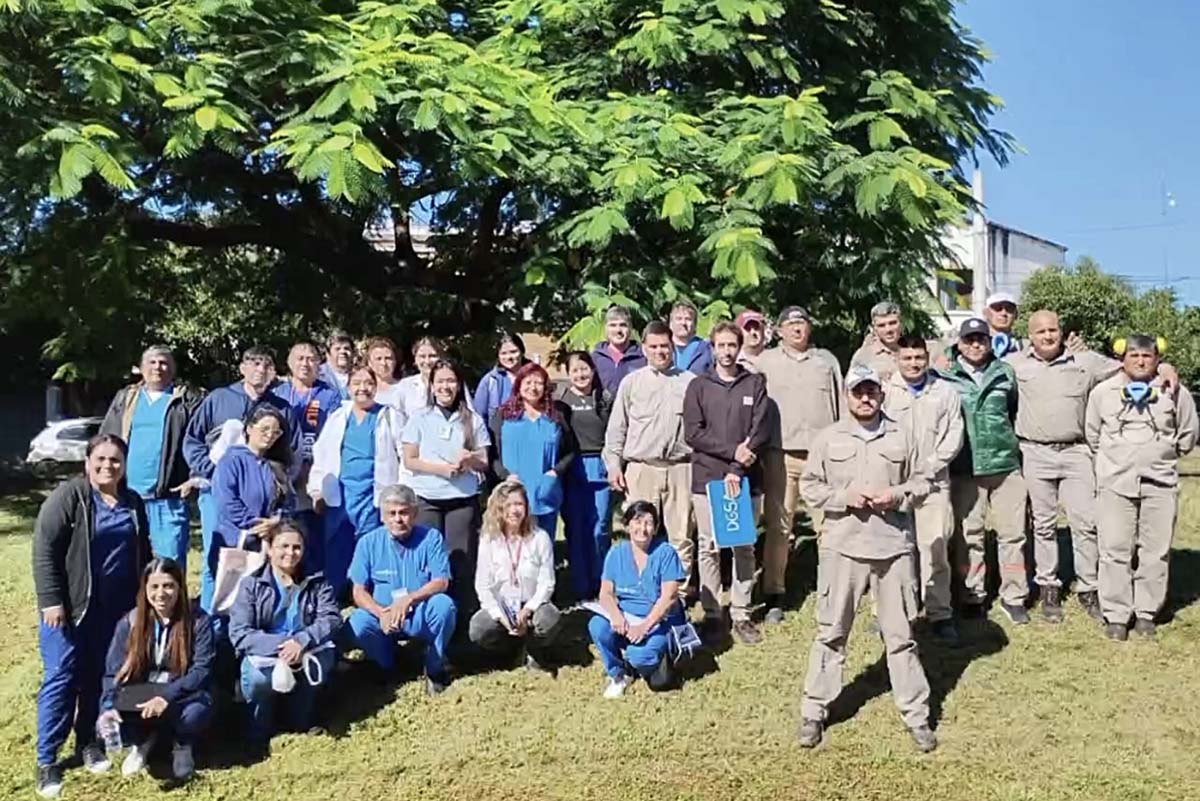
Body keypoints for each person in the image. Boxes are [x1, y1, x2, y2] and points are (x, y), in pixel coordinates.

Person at [797, 365, 936, 752]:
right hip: (843, 547)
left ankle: (917, 715)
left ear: (881, 394)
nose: (865, 397)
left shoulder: (903, 436)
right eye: (858, 391)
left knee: (901, 637)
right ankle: (814, 711)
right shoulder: (828, 438)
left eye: (871, 391)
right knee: (831, 633)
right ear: (847, 395)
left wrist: (897, 494)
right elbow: (810, 486)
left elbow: (924, 482)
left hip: (893, 549)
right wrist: (844, 497)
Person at [33, 435, 151, 798]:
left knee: (99, 677)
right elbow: (44, 548)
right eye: (100, 459)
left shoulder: (133, 502)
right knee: (62, 677)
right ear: (87, 462)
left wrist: (143, 602)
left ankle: (89, 741)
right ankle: (47, 759)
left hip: (114, 611)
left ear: (124, 465)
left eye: (115, 460)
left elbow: (143, 552)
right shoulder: (71, 496)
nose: (107, 466)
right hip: (70, 609)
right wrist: (51, 601)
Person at [1007, 310, 1134, 622]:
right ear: (1030, 335)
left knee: (1085, 522)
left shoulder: (1086, 361)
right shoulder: (1014, 363)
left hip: (1076, 452)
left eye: (1053, 330)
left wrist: (1165, 367)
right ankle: (1048, 586)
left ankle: (1088, 587)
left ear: (1062, 332)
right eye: (1041, 331)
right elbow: (974, 363)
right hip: (1034, 452)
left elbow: (1129, 367)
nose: (1048, 336)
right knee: (1043, 524)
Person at [1086, 335, 1198, 640]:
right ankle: (1116, 615)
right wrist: (1115, 461)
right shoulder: (1102, 393)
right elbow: (1092, 435)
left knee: (1155, 551)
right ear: (1122, 357)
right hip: (1115, 483)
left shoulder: (1174, 392)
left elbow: (1188, 434)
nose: (1140, 361)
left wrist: (1159, 455)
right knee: (1114, 549)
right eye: (1133, 355)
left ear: (1158, 359)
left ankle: (1147, 612)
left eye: (1147, 356)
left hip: (1160, 483)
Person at [183, 346, 300, 612]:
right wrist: (214, 472)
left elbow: (293, 452)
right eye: (254, 363)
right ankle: (212, 618)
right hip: (220, 496)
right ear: (242, 368)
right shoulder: (219, 399)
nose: (261, 370)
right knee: (219, 561)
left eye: (267, 365)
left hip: (267, 498)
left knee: (262, 565)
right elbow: (192, 440)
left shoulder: (282, 407)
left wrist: (280, 497)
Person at [683, 322, 769, 646]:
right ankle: (712, 613)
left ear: (739, 347)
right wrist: (732, 452)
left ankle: (742, 613)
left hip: (745, 478)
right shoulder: (698, 386)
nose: (727, 351)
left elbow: (760, 430)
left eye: (732, 345)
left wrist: (737, 467)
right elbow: (693, 433)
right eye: (721, 345)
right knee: (708, 546)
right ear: (712, 348)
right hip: (708, 479)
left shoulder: (754, 383)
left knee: (743, 546)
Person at [755, 306, 843, 623]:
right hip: (780, 455)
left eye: (802, 323)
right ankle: (774, 592)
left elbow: (842, 406)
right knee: (780, 526)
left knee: (829, 526)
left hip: (823, 457)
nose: (797, 329)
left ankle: (833, 589)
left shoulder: (826, 362)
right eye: (790, 324)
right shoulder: (765, 362)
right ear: (779, 331)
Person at [937, 317, 1028, 623]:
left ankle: (1014, 596)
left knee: (1013, 535)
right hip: (966, 467)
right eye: (969, 339)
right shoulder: (945, 374)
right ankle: (972, 594)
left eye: (981, 339)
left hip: (1005, 466)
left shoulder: (1005, 372)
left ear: (990, 342)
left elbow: (1012, 411)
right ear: (959, 343)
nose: (975, 345)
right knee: (969, 536)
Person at [229, 521, 342, 754]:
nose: (291, 553)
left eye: (297, 547)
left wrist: (302, 640)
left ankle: (300, 719)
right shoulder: (251, 584)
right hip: (266, 653)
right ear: (270, 549)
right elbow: (240, 633)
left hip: (306, 649)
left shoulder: (317, 580)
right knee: (258, 679)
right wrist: (283, 646)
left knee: (320, 664)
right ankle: (259, 726)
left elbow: (331, 618)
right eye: (284, 546)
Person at [98, 559, 213, 781]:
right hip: (144, 690)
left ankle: (182, 743)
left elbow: (201, 670)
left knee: (195, 714)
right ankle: (143, 740)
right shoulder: (131, 621)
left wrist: (165, 697)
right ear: (145, 589)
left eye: (168, 586)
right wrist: (108, 707)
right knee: (116, 710)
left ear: (180, 588)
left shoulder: (198, 620)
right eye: (154, 587)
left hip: (182, 692)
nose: (161, 594)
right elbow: (113, 671)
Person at [603, 321, 696, 598]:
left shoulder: (690, 382)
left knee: (681, 536)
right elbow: (617, 428)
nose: (659, 351)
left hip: (680, 468)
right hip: (641, 469)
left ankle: (676, 597)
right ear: (643, 348)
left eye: (664, 346)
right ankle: (639, 593)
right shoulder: (632, 383)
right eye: (653, 346)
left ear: (673, 347)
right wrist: (614, 465)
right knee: (639, 533)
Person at [882, 335, 964, 641]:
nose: (913, 363)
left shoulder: (945, 391)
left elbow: (954, 434)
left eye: (919, 358)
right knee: (892, 551)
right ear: (897, 359)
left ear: (927, 359)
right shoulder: (885, 390)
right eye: (907, 358)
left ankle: (939, 612)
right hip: (895, 484)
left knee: (935, 548)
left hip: (933, 483)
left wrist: (930, 467)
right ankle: (892, 611)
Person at [344, 485, 457, 695]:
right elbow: (358, 590)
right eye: (392, 513)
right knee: (358, 621)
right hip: (384, 614)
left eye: (404, 512)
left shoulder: (431, 538)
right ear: (382, 516)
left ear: (414, 513)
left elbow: (441, 581)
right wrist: (380, 612)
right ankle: (387, 666)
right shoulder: (368, 542)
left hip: (419, 611)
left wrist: (409, 600)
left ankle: (434, 668)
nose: (398, 519)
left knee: (444, 606)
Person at [308, 365, 406, 598]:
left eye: (368, 383)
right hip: (341, 494)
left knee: (373, 546)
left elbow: (404, 456)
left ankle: (370, 597)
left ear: (376, 387)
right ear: (349, 387)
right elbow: (322, 454)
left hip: (374, 495)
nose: (363, 388)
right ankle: (334, 598)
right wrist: (316, 490)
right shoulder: (338, 417)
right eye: (357, 383)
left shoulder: (389, 416)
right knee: (337, 547)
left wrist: (401, 493)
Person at [100, 345, 203, 567]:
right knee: (123, 562)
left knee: (170, 563)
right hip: (126, 496)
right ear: (141, 368)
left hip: (168, 498)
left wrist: (194, 477)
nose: (158, 367)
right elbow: (105, 441)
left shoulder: (187, 401)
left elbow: (201, 441)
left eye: (164, 363)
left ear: (172, 368)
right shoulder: (126, 398)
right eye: (152, 362)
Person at [402, 359, 490, 606]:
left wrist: (470, 460)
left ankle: (461, 614)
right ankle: (427, 610)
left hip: (461, 500)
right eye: (440, 381)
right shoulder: (419, 418)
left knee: (460, 560)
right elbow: (409, 460)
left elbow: (484, 461)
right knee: (427, 559)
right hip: (426, 498)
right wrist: (441, 469)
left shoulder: (473, 420)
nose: (445, 387)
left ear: (459, 385)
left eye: (451, 381)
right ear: (431, 386)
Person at [587, 502, 687, 698]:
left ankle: (659, 655)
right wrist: (616, 616)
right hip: (627, 617)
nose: (643, 528)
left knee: (639, 656)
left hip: (659, 621)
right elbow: (605, 593)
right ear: (627, 525)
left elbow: (669, 597)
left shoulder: (666, 553)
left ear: (656, 528)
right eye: (637, 521)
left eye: (649, 523)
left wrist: (644, 627)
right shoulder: (616, 553)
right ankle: (618, 674)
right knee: (597, 626)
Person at [211, 406, 295, 627]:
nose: (269, 435)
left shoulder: (276, 466)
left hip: (269, 543)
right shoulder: (231, 461)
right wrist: (255, 525)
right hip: (235, 540)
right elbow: (226, 500)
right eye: (264, 429)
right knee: (231, 600)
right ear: (249, 428)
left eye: (275, 432)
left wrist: (277, 521)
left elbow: (288, 501)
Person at [468, 480, 562, 673]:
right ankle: (509, 650)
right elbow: (482, 585)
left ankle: (535, 650)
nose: (514, 510)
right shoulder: (488, 539)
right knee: (479, 628)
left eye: (519, 504)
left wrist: (527, 610)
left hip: (532, 604)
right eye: (508, 505)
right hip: (503, 605)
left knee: (549, 619)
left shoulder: (540, 538)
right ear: (498, 509)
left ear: (526, 507)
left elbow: (547, 582)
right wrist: (500, 616)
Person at [272, 341, 343, 572]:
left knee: (315, 531)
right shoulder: (278, 393)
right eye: (300, 358)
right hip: (283, 472)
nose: (305, 364)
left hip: (316, 471)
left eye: (311, 359)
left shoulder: (329, 395)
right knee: (285, 529)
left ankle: (317, 578)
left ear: (319, 364)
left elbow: (334, 436)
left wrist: (314, 468)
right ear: (289, 363)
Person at [490, 362, 578, 537]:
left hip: (544, 492)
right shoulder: (503, 415)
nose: (533, 387)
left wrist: (554, 473)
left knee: (542, 545)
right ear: (519, 385)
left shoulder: (556, 416)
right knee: (512, 546)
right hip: (512, 492)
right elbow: (492, 453)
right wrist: (505, 475)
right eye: (528, 382)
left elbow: (571, 451)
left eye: (538, 383)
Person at [555, 351, 613, 600]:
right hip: (573, 468)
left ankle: (602, 584)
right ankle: (581, 586)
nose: (580, 374)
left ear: (593, 370)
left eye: (584, 368)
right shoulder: (561, 401)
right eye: (575, 370)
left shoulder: (604, 398)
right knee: (576, 528)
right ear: (568, 374)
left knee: (599, 528)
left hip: (600, 467)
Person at [473, 332, 528, 423]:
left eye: (513, 352)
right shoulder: (490, 381)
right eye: (503, 353)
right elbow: (479, 416)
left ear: (522, 352)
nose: (509, 357)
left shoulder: (536, 377)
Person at [591, 305, 646, 394]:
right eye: (613, 325)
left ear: (630, 328)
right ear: (606, 329)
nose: (618, 330)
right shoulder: (595, 358)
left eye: (623, 325)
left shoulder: (643, 356)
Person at [399, 336, 458, 418]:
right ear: (415, 359)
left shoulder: (453, 383)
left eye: (432, 356)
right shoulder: (404, 386)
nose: (427, 361)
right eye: (422, 356)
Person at [850, 301, 904, 381]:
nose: (888, 330)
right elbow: (851, 386)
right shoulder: (864, 356)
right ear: (874, 329)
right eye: (881, 325)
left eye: (892, 323)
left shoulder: (914, 349)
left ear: (901, 323)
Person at [668, 300, 713, 375]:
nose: (683, 323)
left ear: (695, 324)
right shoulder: (661, 347)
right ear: (671, 323)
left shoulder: (706, 349)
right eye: (679, 319)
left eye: (688, 319)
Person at [364, 336, 405, 411]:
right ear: (370, 363)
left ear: (395, 361)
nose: (383, 363)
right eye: (378, 359)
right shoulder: (365, 392)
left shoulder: (405, 388)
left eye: (388, 358)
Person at [318, 330, 357, 400]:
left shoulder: (358, 374)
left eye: (346, 348)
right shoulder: (317, 375)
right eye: (337, 349)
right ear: (328, 354)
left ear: (353, 353)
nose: (343, 352)